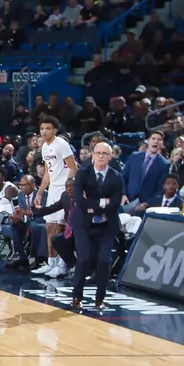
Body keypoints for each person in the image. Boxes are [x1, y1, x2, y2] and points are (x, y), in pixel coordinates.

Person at [71, 138, 123, 313]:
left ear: (110, 157)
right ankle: (77, 296)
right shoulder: (82, 174)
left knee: (104, 260)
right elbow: (79, 202)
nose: (101, 156)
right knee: (84, 258)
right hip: (83, 224)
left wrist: (92, 203)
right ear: (92, 155)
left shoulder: (116, 177)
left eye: (105, 154)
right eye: (98, 153)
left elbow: (115, 204)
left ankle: (99, 299)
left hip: (106, 226)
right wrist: (102, 203)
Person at [37, 118, 77, 278]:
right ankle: (51, 262)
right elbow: (48, 172)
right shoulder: (45, 146)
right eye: (42, 128)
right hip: (53, 188)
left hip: (64, 188)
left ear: (54, 130)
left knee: (62, 228)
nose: (44, 131)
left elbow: (74, 167)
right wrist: (40, 192)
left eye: (48, 128)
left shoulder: (61, 144)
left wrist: (69, 189)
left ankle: (63, 265)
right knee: (50, 227)